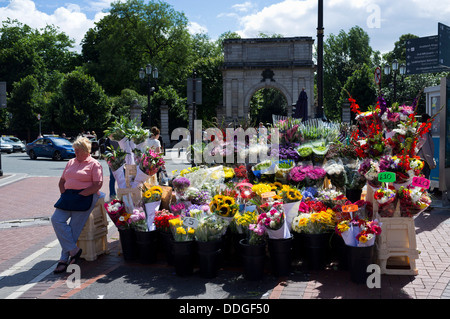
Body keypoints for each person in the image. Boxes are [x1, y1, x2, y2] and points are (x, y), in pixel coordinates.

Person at [51, 136, 103, 274]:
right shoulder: (71, 162)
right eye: (75, 150)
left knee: (74, 228)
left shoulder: (94, 164)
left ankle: (63, 259)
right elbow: (62, 181)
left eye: (78, 150)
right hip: (69, 197)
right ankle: (74, 251)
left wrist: (81, 195)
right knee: (56, 219)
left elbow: (97, 184)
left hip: (84, 197)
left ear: (87, 150)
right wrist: (64, 195)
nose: (76, 153)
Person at [418, 113, 436, 180]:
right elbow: (426, 149)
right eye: (430, 122)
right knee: (424, 181)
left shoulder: (420, 129)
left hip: (420, 160)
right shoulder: (424, 131)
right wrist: (431, 163)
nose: (431, 124)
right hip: (424, 161)